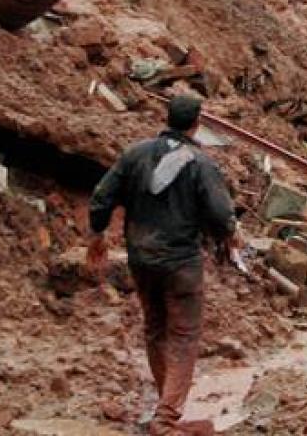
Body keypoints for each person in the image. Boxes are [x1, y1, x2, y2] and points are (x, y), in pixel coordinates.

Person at [87, 95, 238, 436]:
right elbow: (220, 214)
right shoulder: (201, 163)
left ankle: (166, 407)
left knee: (155, 328)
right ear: (197, 124)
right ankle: (167, 420)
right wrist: (228, 236)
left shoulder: (134, 154)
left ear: (166, 118)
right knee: (184, 336)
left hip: (141, 258)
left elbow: (101, 196)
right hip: (181, 262)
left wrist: (97, 233)